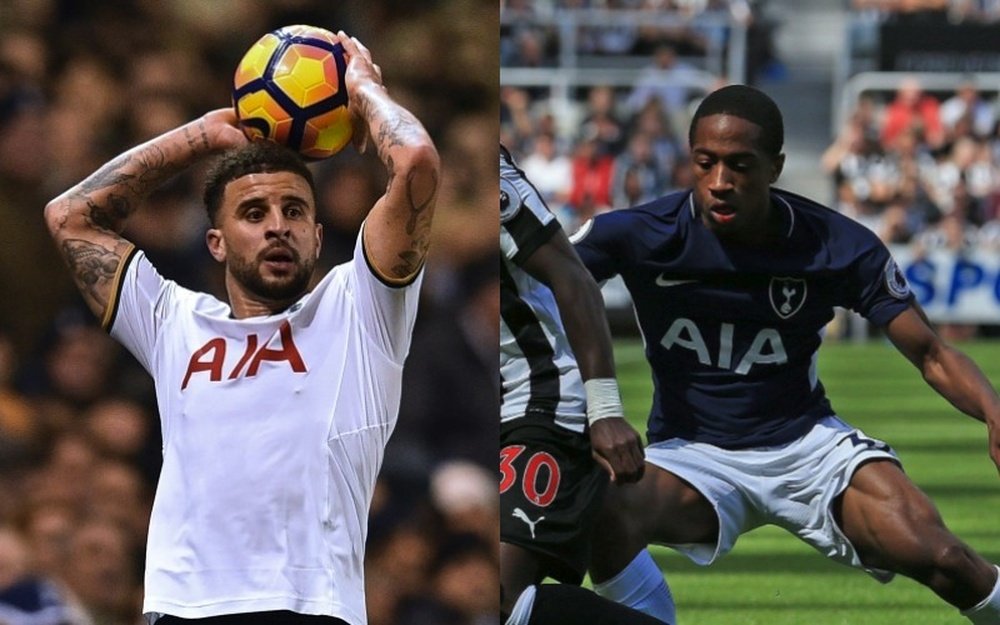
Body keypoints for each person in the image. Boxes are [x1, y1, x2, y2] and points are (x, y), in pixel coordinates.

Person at [43, 31, 439, 625]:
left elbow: (415, 164)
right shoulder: (176, 322)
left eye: (294, 211)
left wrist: (363, 91)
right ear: (217, 243)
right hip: (183, 609)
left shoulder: (359, 312)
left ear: (317, 235)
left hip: (312, 607)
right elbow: (70, 217)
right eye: (254, 214)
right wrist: (198, 137)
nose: (277, 226)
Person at [574, 84, 1000, 624]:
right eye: (705, 164)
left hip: (806, 447)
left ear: (775, 167)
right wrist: (600, 406)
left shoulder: (836, 245)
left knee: (946, 559)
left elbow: (932, 353)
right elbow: (550, 282)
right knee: (593, 508)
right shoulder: (638, 234)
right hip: (691, 456)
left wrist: (993, 411)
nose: (720, 183)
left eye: (740, 165)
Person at [499, 145, 674, 625]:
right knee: (614, 554)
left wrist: (604, 410)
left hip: (540, 401)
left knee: (498, 596)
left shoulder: (487, 177)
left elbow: (573, 277)